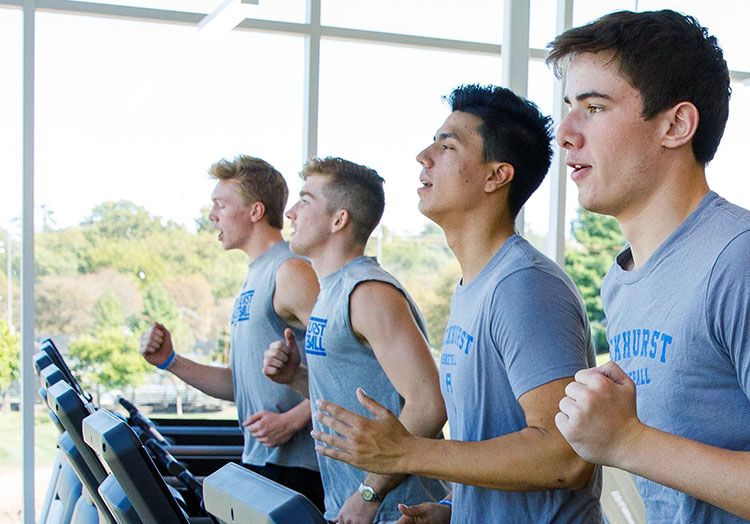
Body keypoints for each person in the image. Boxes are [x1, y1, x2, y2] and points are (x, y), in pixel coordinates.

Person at [303, 86, 602, 523]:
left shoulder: (524, 286)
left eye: (447, 146)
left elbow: (563, 459)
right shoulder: (474, 286)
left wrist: (408, 452)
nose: (424, 156)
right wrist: (451, 508)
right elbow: (496, 442)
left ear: (496, 176)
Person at [547, 9, 750, 523]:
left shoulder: (738, 260)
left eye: (594, 107)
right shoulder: (621, 281)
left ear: (676, 124)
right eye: (569, 106)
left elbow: (631, 445)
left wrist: (628, 441)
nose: (565, 133)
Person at [263, 156, 448, 524]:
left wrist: (369, 493)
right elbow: (360, 393)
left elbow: (429, 403)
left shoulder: (367, 292)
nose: (290, 213)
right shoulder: (330, 292)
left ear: (339, 219)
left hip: (395, 511)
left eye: (305, 200)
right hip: (355, 507)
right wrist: (296, 377)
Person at [139, 155, 324, 510]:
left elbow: (348, 369)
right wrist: (171, 362)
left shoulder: (290, 272)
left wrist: (292, 420)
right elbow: (239, 385)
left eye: (220, 205)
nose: (212, 216)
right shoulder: (253, 278)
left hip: (300, 469)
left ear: (256, 211)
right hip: (260, 460)